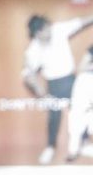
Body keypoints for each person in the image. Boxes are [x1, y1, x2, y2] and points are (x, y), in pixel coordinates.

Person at [22, 14, 93, 164]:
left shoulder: (58, 29)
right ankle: (50, 147)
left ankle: (83, 143)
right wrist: (42, 94)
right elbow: (29, 76)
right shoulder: (33, 50)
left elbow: (81, 21)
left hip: (71, 79)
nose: (49, 32)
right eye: (45, 30)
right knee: (54, 116)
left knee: (82, 111)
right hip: (53, 83)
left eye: (49, 28)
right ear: (37, 33)